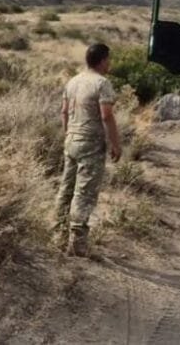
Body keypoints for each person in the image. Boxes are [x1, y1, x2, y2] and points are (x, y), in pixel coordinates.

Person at [53, 43, 122, 257]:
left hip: (71, 141)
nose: (110, 63)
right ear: (102, 60)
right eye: (108, 59)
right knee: (84, 193)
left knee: (66, 188)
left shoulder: (73, 81)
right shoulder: (102, 84)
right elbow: (106, 115)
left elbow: (64, 112)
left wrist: (68, 133)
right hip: (90, 144)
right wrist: (115, 143)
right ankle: (77, 244)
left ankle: (58, 236)